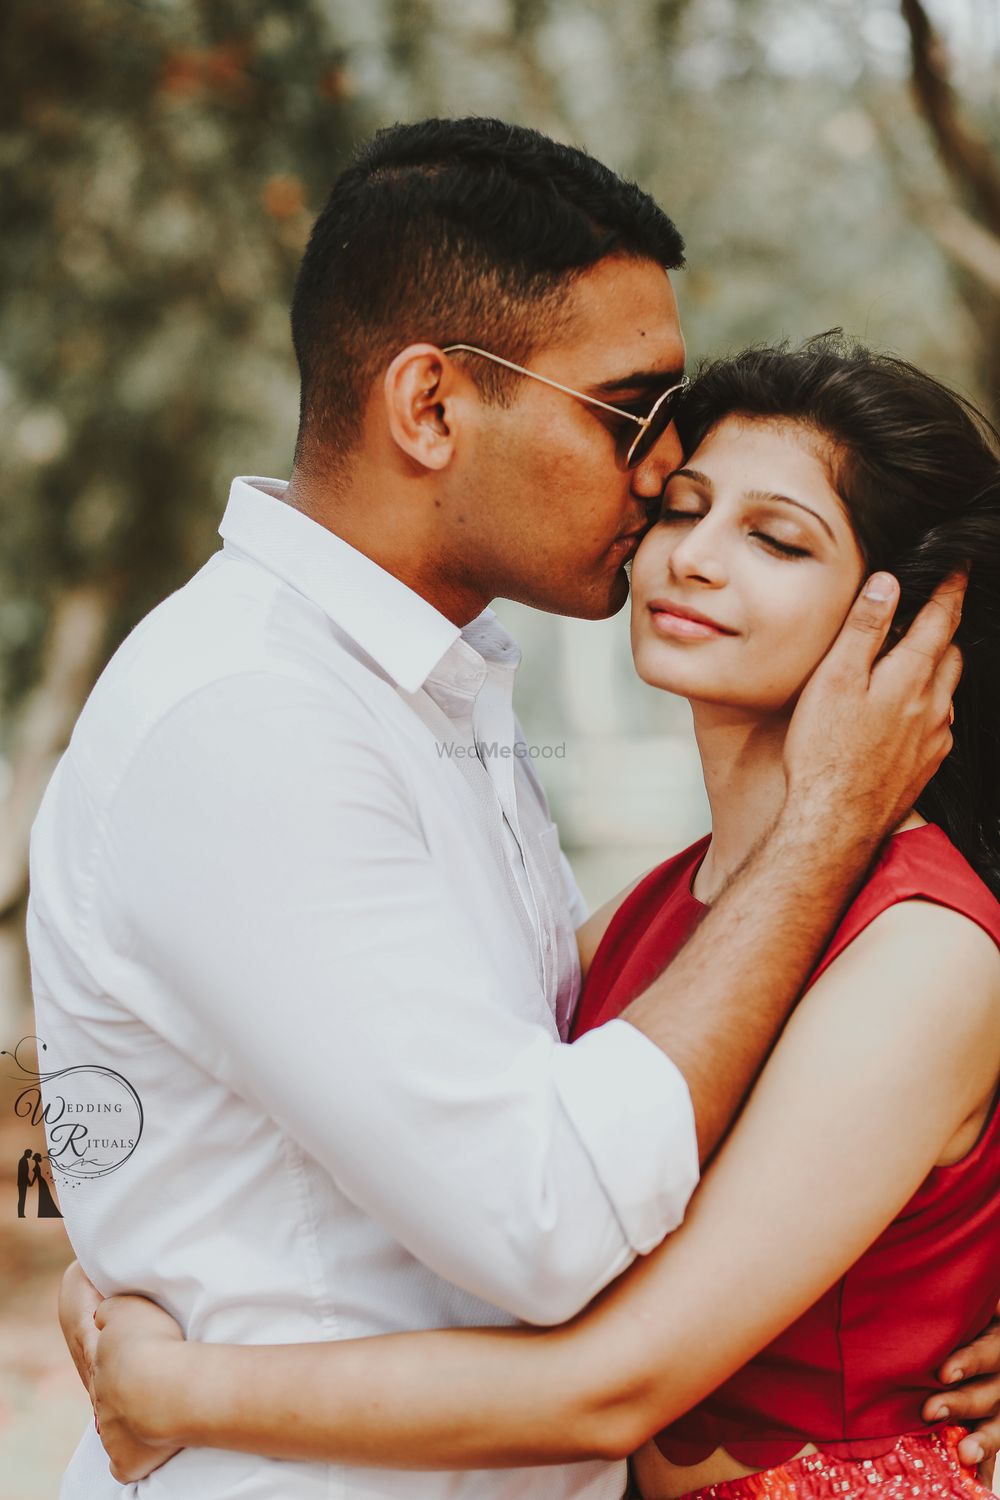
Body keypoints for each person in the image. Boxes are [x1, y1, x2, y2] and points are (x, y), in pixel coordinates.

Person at [31, 117, 982, 1500]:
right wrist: (121, 1255)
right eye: (634, 418)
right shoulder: (251, 718)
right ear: (429, 408)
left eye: (770, 533)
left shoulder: (439, 691)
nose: (661, 485)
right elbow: (550, 1213)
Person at [30, 1150, 63, 1217]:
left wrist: (32, 1183)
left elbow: (35, 1176)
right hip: (41, 1180)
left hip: (41, 1180)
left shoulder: (37, 1166)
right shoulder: (37, 1166)